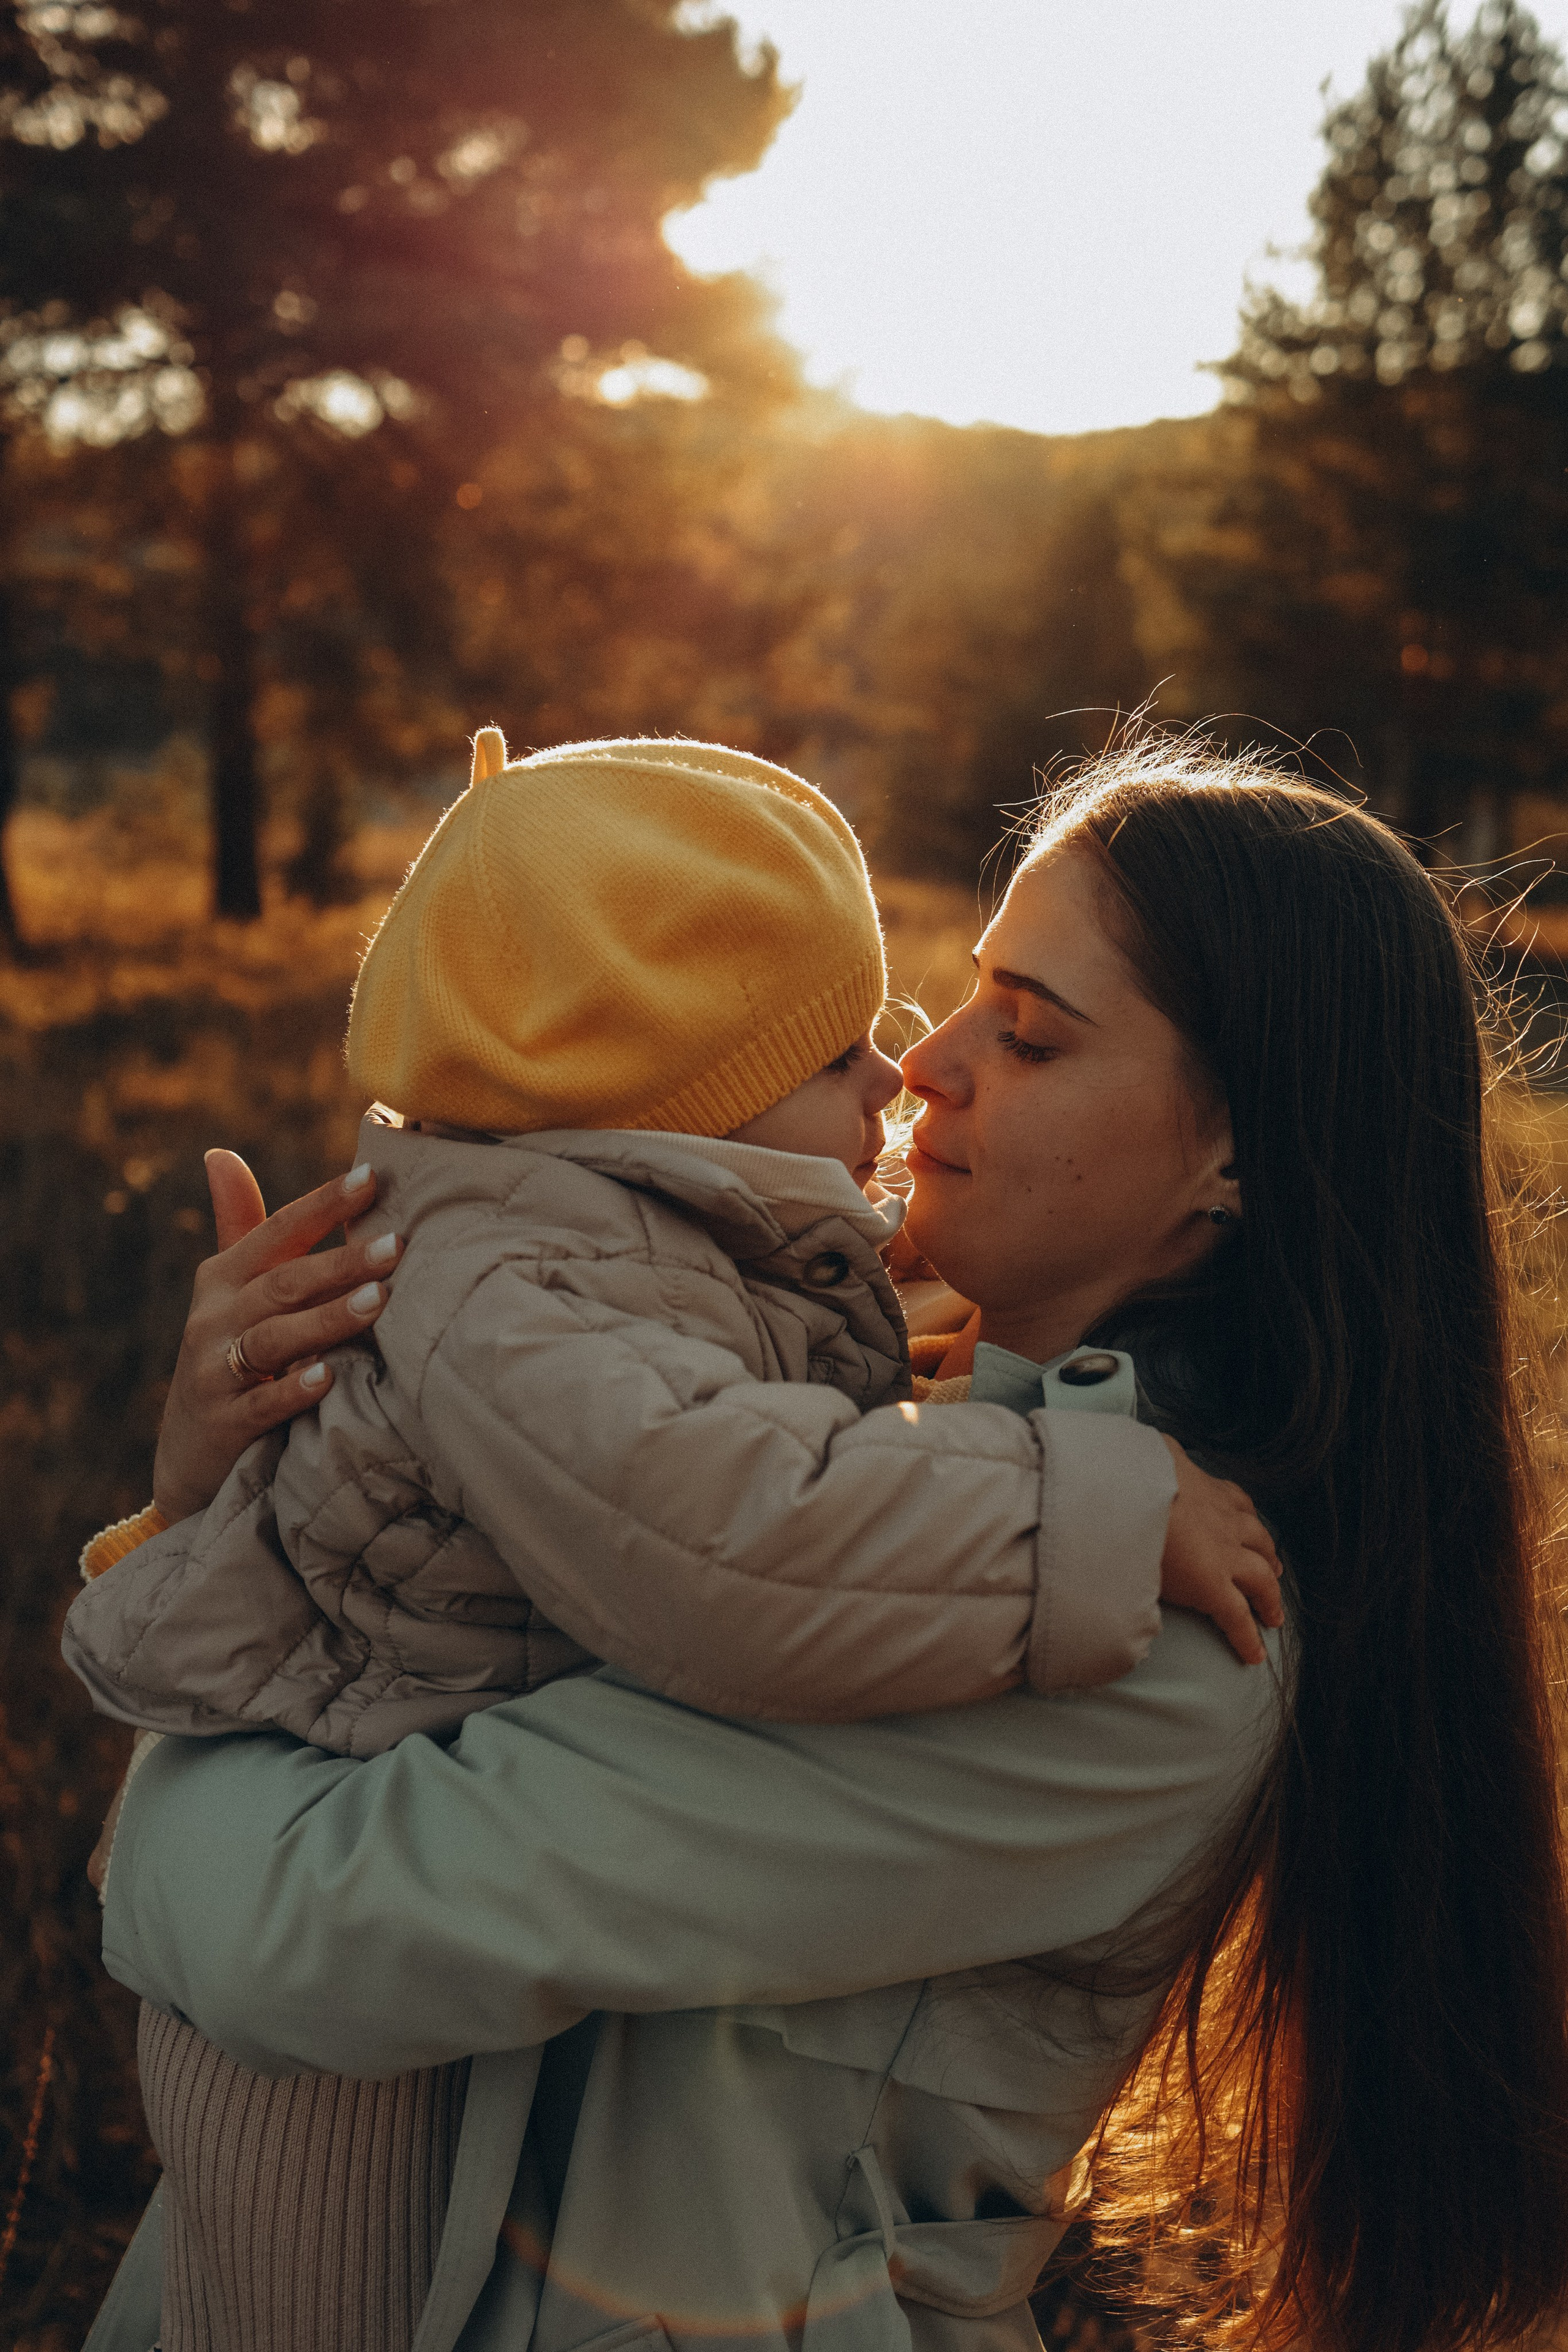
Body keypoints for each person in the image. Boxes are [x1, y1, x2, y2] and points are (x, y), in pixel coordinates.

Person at [80, 745, 1568, 2352]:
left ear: (1240, 1156)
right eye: (970, 992)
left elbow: (287, 1926)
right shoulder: (853, 1442)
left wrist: (192, 1715)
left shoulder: (1147, 1634)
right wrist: (251, 1487)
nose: (929, 1063)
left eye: (1036, 1033)